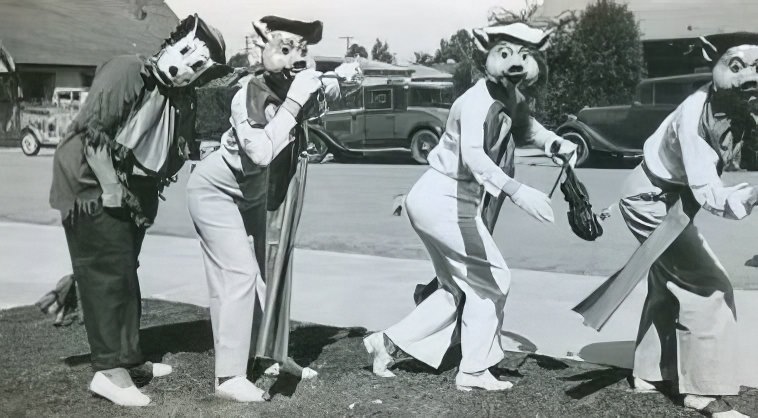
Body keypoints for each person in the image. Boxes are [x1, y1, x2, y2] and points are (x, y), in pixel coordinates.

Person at [364, 18, 577, 391]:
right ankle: (473, 370)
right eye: (505, 53)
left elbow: (527, 128)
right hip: (446, 196)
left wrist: (554, 144)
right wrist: (518, 191)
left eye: (523, 56)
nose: (515, 63)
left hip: (442, 198)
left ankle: (386, 344)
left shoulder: (510, 96)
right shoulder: (475, 101)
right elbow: (476, 159)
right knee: (493, 281)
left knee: (457, 290)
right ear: (486, 58)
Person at [574, 32, 758, 418]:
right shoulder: (695, 115)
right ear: (714, 65)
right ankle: (702, 392)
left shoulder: (730, 102)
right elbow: (708, 191)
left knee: (665, 282)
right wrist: (750, 196)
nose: (750, 78)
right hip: (652, 200)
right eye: (737, 67)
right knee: (709, 285)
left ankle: (649, 373)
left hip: (661, 196)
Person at [48, 15, 227, 406]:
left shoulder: (179, 99)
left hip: (130, 189)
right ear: (179, 44)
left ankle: (129, 359)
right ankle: (109, 372)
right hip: (92, 184)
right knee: (110, 273)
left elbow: (171, 151)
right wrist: (111, 187)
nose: (195, 68)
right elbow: (94, 133)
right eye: (197, 55)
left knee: (125, 272)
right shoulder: (127, 71)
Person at [186, 15, 361, 402]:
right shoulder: (248, 91)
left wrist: (343, 80)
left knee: (267, 276)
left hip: (251, 192)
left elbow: (323, 93)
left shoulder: (290, 86)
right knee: (239, 274)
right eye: (285, 49)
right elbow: (261, 151)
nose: (295, 59)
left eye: (301, 50)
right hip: (216, 189)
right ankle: (229, 376)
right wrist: (298, 98)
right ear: (263, 46)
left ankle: (268, 355)